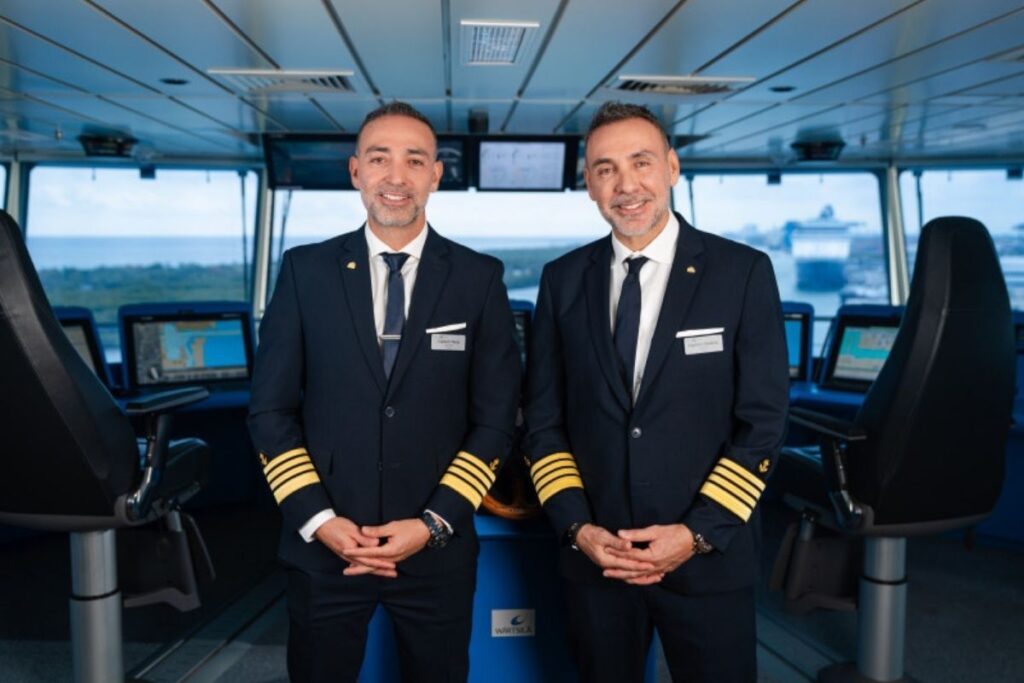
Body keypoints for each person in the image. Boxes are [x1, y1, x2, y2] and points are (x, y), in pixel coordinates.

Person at [248, 101, 521, 683]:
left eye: (414, 160)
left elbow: (495, 420)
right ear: (355, 172)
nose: (396, 177)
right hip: (324, 549)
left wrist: (434, 523)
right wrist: (320, 520)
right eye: (379, 159)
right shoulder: (305, 272)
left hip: (436, 550)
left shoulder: (479, 279)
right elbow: (271, 412)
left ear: (435, 175)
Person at [524, 101, 789, 682]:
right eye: (606, 169)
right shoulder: (562, 281)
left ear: (671, 167)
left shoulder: (741, 272)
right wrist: (578, 528)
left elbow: (762, 422)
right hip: (599, 558)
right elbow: (544, 424)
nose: (626, 185)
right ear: (589, 185)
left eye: (641, 162)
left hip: (709, 556)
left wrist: (694, 535)